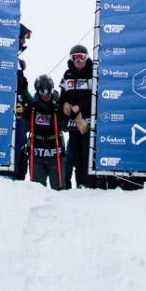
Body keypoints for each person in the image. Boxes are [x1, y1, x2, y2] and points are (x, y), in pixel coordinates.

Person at [60, 44, 95, 188]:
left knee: (88, 154)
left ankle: (89, 184)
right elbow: (62, 97)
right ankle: (80, 183)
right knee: (76, 155)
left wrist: (79, 106)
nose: (79, 61)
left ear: (87, 59)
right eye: (76, 58)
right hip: (74, 123)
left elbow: (94, 97)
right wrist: (65, 105)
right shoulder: (67, 75)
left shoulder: (93, 74)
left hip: (88, 122)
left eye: (82, 57)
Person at [26, 75, 64, 189]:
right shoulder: (33, 106)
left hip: (55, 152)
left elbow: (65, 128)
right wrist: (24, 112)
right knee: (37, 189)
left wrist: (60, 113)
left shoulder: (58, 104)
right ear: (38, 91)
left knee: (59, 189)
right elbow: (24, 128)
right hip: (37, 153)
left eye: (48, 91)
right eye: (43, 92)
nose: (46, 95)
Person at [12, 24, 32, 179]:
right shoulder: (4, 59)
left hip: (17, 113)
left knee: (20, 141)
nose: (25, 43)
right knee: (13, 142)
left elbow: (24, 92)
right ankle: (6, 174)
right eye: (23, 39)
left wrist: (35, 105)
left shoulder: (17, 61)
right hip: (5, 112)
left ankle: (17, 177)